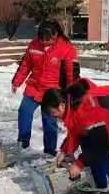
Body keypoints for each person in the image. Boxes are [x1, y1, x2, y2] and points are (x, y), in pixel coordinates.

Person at [12, 20, 78, 156]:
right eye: (42, 39)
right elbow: (25, 65)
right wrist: (16, 81)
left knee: (49, 121)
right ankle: (23, 143)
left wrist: (71, 92)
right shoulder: (34, 45)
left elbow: (71, 73)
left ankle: (49, 151)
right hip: (34, 87)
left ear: (55, 35)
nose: (45, 42)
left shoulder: (66, 48)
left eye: (48, 40)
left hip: (53, 91)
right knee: (24, 111)